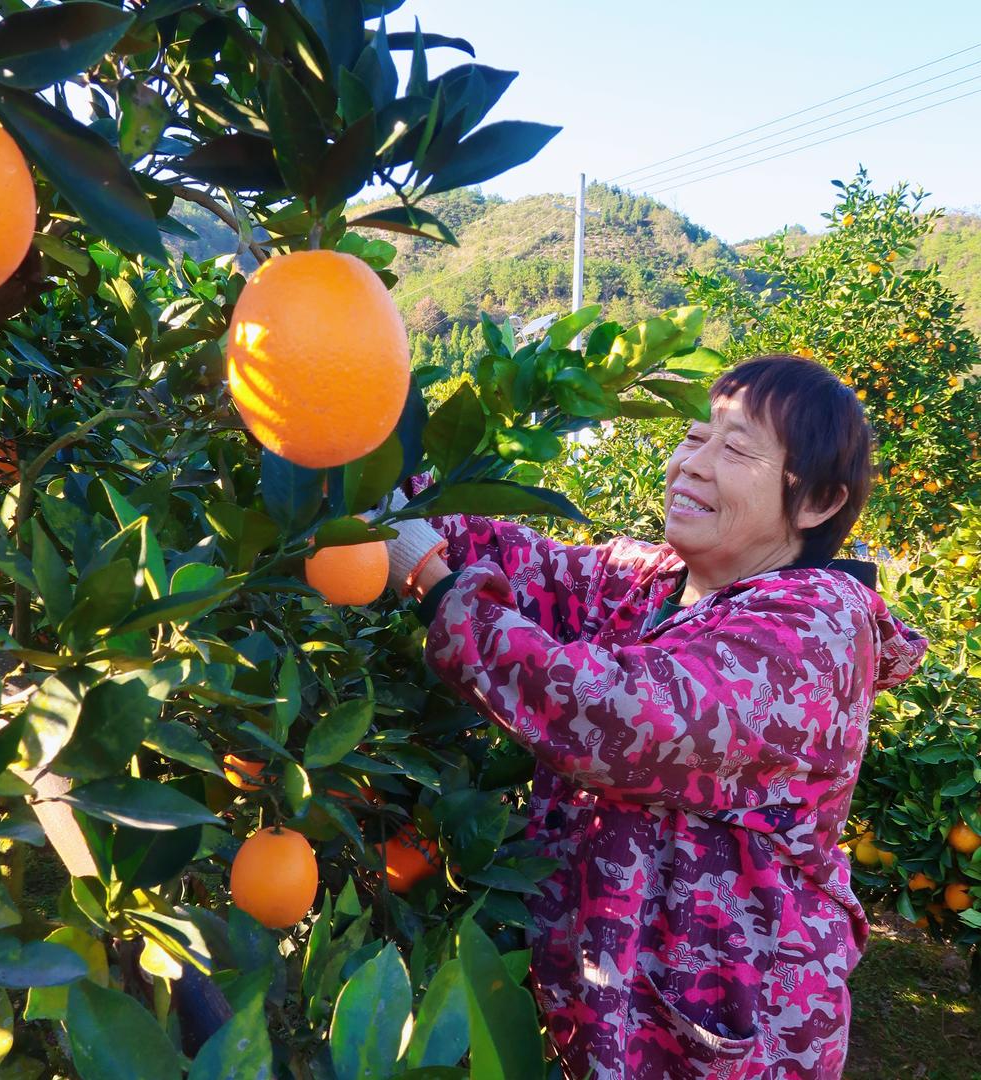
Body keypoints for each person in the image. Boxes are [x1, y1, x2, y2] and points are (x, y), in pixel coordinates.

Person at [382, 355, 927, 1079]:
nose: (692, 465)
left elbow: (620, 716)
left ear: (819, 502)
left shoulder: (815, 630)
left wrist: (433, 581)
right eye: (695, 437)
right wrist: (376, 473)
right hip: (605, 1002)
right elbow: (523, 563)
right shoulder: (658, 582)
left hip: (721, 1034)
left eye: (734, 450)